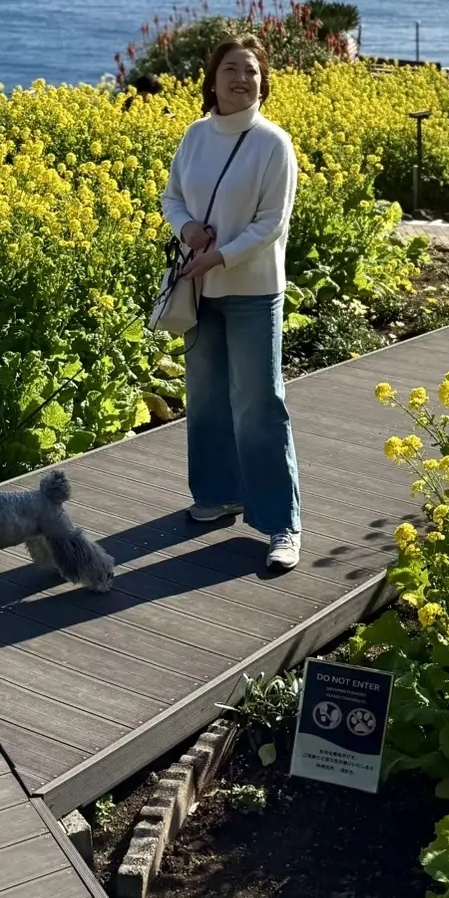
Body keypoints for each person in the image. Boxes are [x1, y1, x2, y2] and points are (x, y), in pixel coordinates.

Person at [162, 36, 302, 571]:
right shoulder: (196, 136)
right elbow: (171, 196)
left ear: (263, 81)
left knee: (259, 405)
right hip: (199, 288)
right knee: (206, 397)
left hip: (252, 290)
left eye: (250, 70)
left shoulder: (274, 144)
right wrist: (188, 227)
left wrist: (219, 256)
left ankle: (282, 524)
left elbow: (272, 225)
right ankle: (220, 494)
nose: (240, 78)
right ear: (212, 79)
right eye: (230, 69)